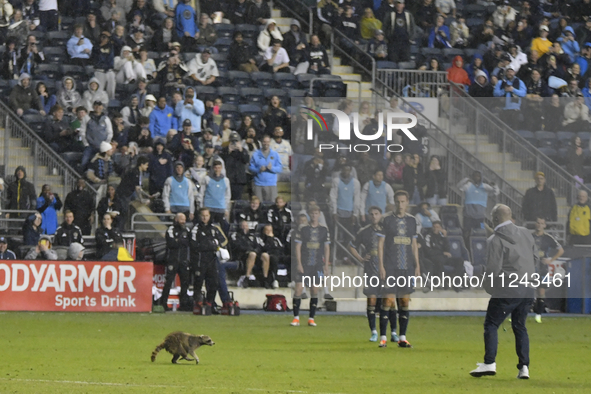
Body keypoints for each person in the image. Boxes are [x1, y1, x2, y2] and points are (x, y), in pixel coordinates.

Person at [470, 204, 535, 379]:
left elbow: (493, 270)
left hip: (509, 289)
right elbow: (534, 258)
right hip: (529, 287)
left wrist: (490, 288)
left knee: (491, 324)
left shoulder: (495, 239)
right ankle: (524, 368)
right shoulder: (526, 233)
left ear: (495, 219)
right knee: (520, 327)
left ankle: (489, 363)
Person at [377, 190, 420, 348]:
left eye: (403, 202)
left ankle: (402, 337)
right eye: (398, 202)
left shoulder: (412, 221)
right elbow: (380, 244)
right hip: (391, 265)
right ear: (394, 203)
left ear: (407, 202)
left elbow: (414, 244)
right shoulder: (386, 220)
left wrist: (417, 265)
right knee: (388, 300)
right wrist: (381, 265)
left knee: (404, 301)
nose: (400, 205)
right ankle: (383, 337)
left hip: (407, 266)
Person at [349, 206, 384, 342]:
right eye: (371, 214)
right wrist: (361, 258)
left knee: (386, 302)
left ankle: (389, 332)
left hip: (385, 271)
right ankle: (374, 332)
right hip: (370, 270)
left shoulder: (387, 231)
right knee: (371, 301)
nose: (374, 216)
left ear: (380, 215)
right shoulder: (364, 232)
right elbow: (351, 245)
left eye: (376, 213)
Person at [291, 205, 330, 327]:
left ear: (319, 215)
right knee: (298, 288)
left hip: (317, 264)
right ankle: (296, 317)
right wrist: (299, 263)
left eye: (316, 213)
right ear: (309, 215)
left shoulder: (324, 230)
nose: (314, 216)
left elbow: (327, 247)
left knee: (314, 289)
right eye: (312, 213)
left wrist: (326, 265)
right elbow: (298, 247)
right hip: (305, 263)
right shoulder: (303, 229)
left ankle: (311, 318)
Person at [190, 208, 228, 312]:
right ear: (199, 216)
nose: (205, 218)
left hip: (212, 260)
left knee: (213, 283)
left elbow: (224, 240)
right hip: (200, 260)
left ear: (209, 216)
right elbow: (194, 245)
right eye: (203, 215)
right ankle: (197, 304)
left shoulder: (215, 228)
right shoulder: (195, 229)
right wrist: (210, 244)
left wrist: (216, 245)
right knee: (198, 283)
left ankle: (209, 304)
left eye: (206, 215)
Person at [531, 217, 563, 323]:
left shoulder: (548, 238)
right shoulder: (529, 236)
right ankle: (517, 314)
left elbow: (561, 250)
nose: (539, 225)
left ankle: (538, 315)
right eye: (538, 222)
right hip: (529, 267)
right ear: (535, 224)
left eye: (542, 223)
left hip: (542, 268)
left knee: (541, 291)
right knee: (524, 290)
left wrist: (550, 260)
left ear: (544, 225)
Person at [161, 213, 192, 311]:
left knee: (184, 283)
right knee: (168, 282)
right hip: (172, 260)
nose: (183, 221)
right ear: (176, 219)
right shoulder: (170, 229)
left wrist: (178, 240)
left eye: (184, 219)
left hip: (184, 261)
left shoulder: (187, 230)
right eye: (181, 219)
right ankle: (163, 303)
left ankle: (183, 304)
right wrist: (181, 241)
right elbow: (171, 243)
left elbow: (190, 243)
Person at [457, 171, 500, 240]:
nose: (477, 178)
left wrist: (494, 185)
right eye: (475, 176)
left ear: (481, 177)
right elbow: (459, 187)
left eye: (478, 176)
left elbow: (496, 192)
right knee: (466, 234)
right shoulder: (468, 185)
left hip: (480, 217)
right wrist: (466, 180)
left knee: (480, 234)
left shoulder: (485, 186)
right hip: (468, 216)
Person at [249, 135, 283, 202]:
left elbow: (280, 168)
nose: (266, 144)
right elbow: (250, 168)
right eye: (264, 142)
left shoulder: (275, 154)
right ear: (261, 142)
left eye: (268, 142)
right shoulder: (255, 154)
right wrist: (259, 169)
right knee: (259, 206)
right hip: (258, 184)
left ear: (270, 142)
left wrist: (272, 168)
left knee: (271, 205)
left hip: (271, 184)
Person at [329, 163, 361, 230]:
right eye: (344, 170)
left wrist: (355, 214)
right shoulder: (336, 181)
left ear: (350, 171)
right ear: (341, 170)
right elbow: (333, 197)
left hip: (350, 213)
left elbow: (356, 199)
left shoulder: (355, 183)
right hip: (339, 212)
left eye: (348, 170)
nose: (346, 172)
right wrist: (334, 212)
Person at [232, 220, 261, 288]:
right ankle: (247, 277)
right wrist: (248, 250)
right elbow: (236, 246)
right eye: (243, 226)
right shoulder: (236, 235)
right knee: (252, 254)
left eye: (246, 226)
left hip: (254, 253)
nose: (244, 227)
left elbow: (259, 246)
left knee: (265, 256)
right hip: (242, 255)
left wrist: (256, 250)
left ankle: (266, 279)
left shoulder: (252, 236)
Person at [221, 132, 249, 200]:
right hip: (229, 178)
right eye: (233, 141)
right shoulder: (224, 150)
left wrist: (241, 150)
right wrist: (229, 151)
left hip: (239, 179)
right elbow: (223, 162)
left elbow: (246, 160)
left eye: (236, 141)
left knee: (238, 199)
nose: (234, 143)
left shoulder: (243, 150)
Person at [258, 224, 286, 289]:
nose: (269, 232)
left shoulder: (276, 239)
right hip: (270, 255)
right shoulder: (262, 239)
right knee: (274, 259)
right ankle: (274, 280)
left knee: (291, 259)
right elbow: (264, 248)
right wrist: (269, 238)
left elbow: (281, 248)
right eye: (267, 230)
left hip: (279, 255)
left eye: (270, 230)